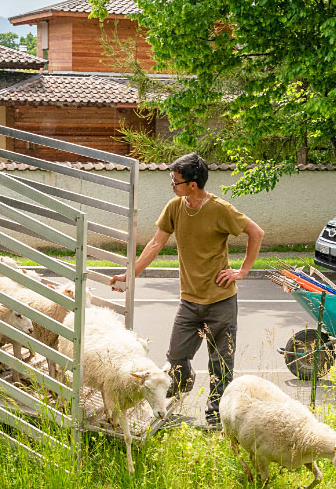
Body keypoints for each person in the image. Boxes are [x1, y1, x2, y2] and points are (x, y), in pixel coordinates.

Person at [111, 152, 264, 428]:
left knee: (221, 366)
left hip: (221, 301)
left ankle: (215, 419)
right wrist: (129, 275)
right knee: (177, 358)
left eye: (176, 181)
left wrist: (242, 271)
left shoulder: (221, 209)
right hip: (190, 302)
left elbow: (256, 232)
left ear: (193, 184)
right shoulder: (174, 207)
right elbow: (155, 245)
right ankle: (184, 383)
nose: (172, 185)